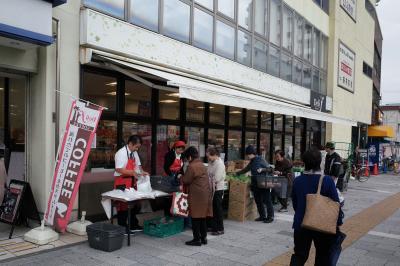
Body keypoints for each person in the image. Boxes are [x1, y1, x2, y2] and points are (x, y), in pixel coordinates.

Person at [290, 149, 344, 266]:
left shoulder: (298, 181)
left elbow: (295, 203)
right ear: (320, 162)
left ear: (304, 162)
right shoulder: (327, 181)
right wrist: (338, 222)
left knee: (299, 255)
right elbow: (336, 204)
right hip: (322, 225)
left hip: (301, 224)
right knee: (323, 256)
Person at [114, 135, 148, 231]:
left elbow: (138, 166)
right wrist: (133, 172)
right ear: (130, 143)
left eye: (138, 147)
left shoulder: (134, 153)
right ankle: (122, 227)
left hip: (132, 182)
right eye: (136, 146)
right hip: (122, 182)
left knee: (134, 204)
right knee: (123, 206)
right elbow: (119, 169)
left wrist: (142, 172)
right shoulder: (120, 153)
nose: (137, 149)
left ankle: (133, 224)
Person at [182, 146, 213, 246]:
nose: (187, 160)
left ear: (190, 157)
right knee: (202, 217)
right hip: (205, 194)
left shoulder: (192, 166)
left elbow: (186, 180)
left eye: (187, 158)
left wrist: (180, 177)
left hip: (196, 196)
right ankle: (204, 238)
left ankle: (196, 239)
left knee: (195, 217)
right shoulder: (202, 164)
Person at [236, 145, 274, 223]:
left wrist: (262, 169)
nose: (247, 156)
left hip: (263, 183)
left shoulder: (260, 159)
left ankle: (270, 217)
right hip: (255, 184)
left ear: (252, 153)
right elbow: (246, 169)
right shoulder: (252, 161)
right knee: (258, 201)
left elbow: (270, 169)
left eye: (248, 154)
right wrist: (237, 173)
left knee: (267, 201)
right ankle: (262, 216)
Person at [207, 147, 226, 236]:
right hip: (211, 188)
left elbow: (217, 178)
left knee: (217, 209)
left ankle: (220, 228)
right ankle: (212, 226)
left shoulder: (220, 164)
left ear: (214, 155)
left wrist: (210, 179)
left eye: (209, 156)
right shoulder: (211, 162)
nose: (208, 158)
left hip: (218, 189)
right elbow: (208, 173)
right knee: (212, 208)